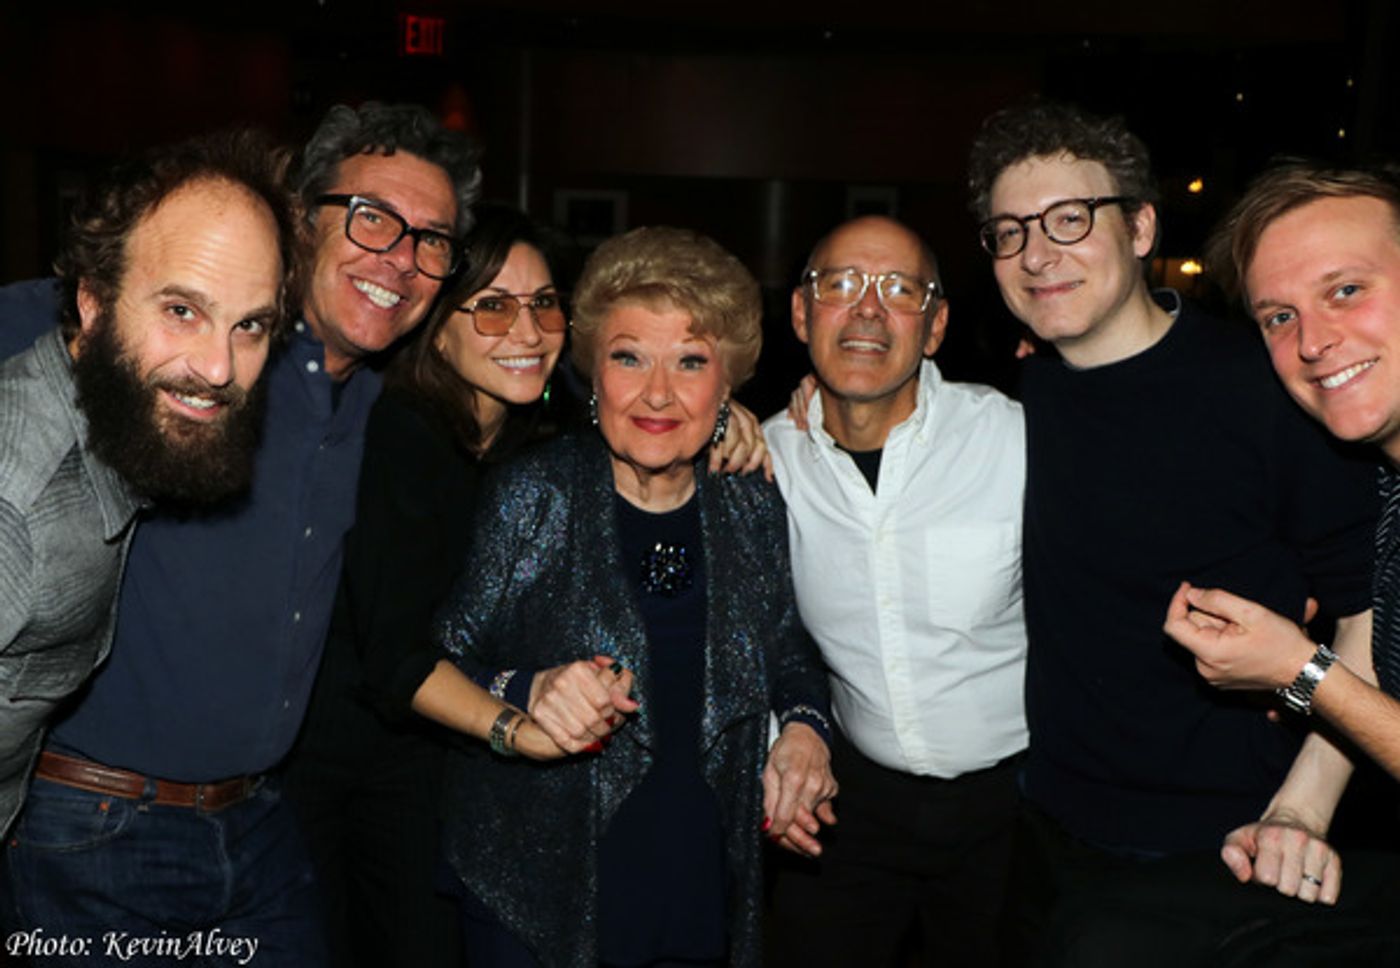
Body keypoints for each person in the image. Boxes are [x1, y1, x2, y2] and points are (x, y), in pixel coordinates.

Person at [0, 102, 480, 965]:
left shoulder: (375, 397)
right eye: (373, 220)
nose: (399, 260)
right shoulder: (191, 347)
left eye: (431, 240)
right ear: (301, 220)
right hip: (94, 829)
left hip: (258, 823)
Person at [966, 101, 1378, 965]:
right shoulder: (1017, 395)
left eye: (1069, 219)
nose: (1038, 253)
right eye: (1010, 232)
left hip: (1223, 844)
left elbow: (1365, 611)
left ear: (1142, 225)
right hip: (1042, 826)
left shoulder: (1276, 384)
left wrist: (1302, 808)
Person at [416, 225, 836, 968]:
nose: (658, 393)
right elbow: (435, 662)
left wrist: (804, 730)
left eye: (691, 361)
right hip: (539, 891)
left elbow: (789, 654)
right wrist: (528, 691)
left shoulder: (750, 504)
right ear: (592, 373)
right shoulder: (534, 494)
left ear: (728, 383)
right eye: (630, 357)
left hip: (699, 883)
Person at [0, 129, 298, 840]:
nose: (219, 366)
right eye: (181, 311)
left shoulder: (110, 430)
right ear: (94, 302)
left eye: (250, 326)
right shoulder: (16, 498)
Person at [762, 215, 1026, 968]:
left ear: (935, 325)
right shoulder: (766, 458)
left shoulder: (1015, 441)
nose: (868, 309)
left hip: (1011, 814)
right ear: (802, 314)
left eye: (899, 289)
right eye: (840, 285)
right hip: (851, 808)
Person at [1167, 166, 1400, 786]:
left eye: (1346, 290)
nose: (1313, 342)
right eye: (1279, 317)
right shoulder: (1381, 490)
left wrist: (1299, 670)